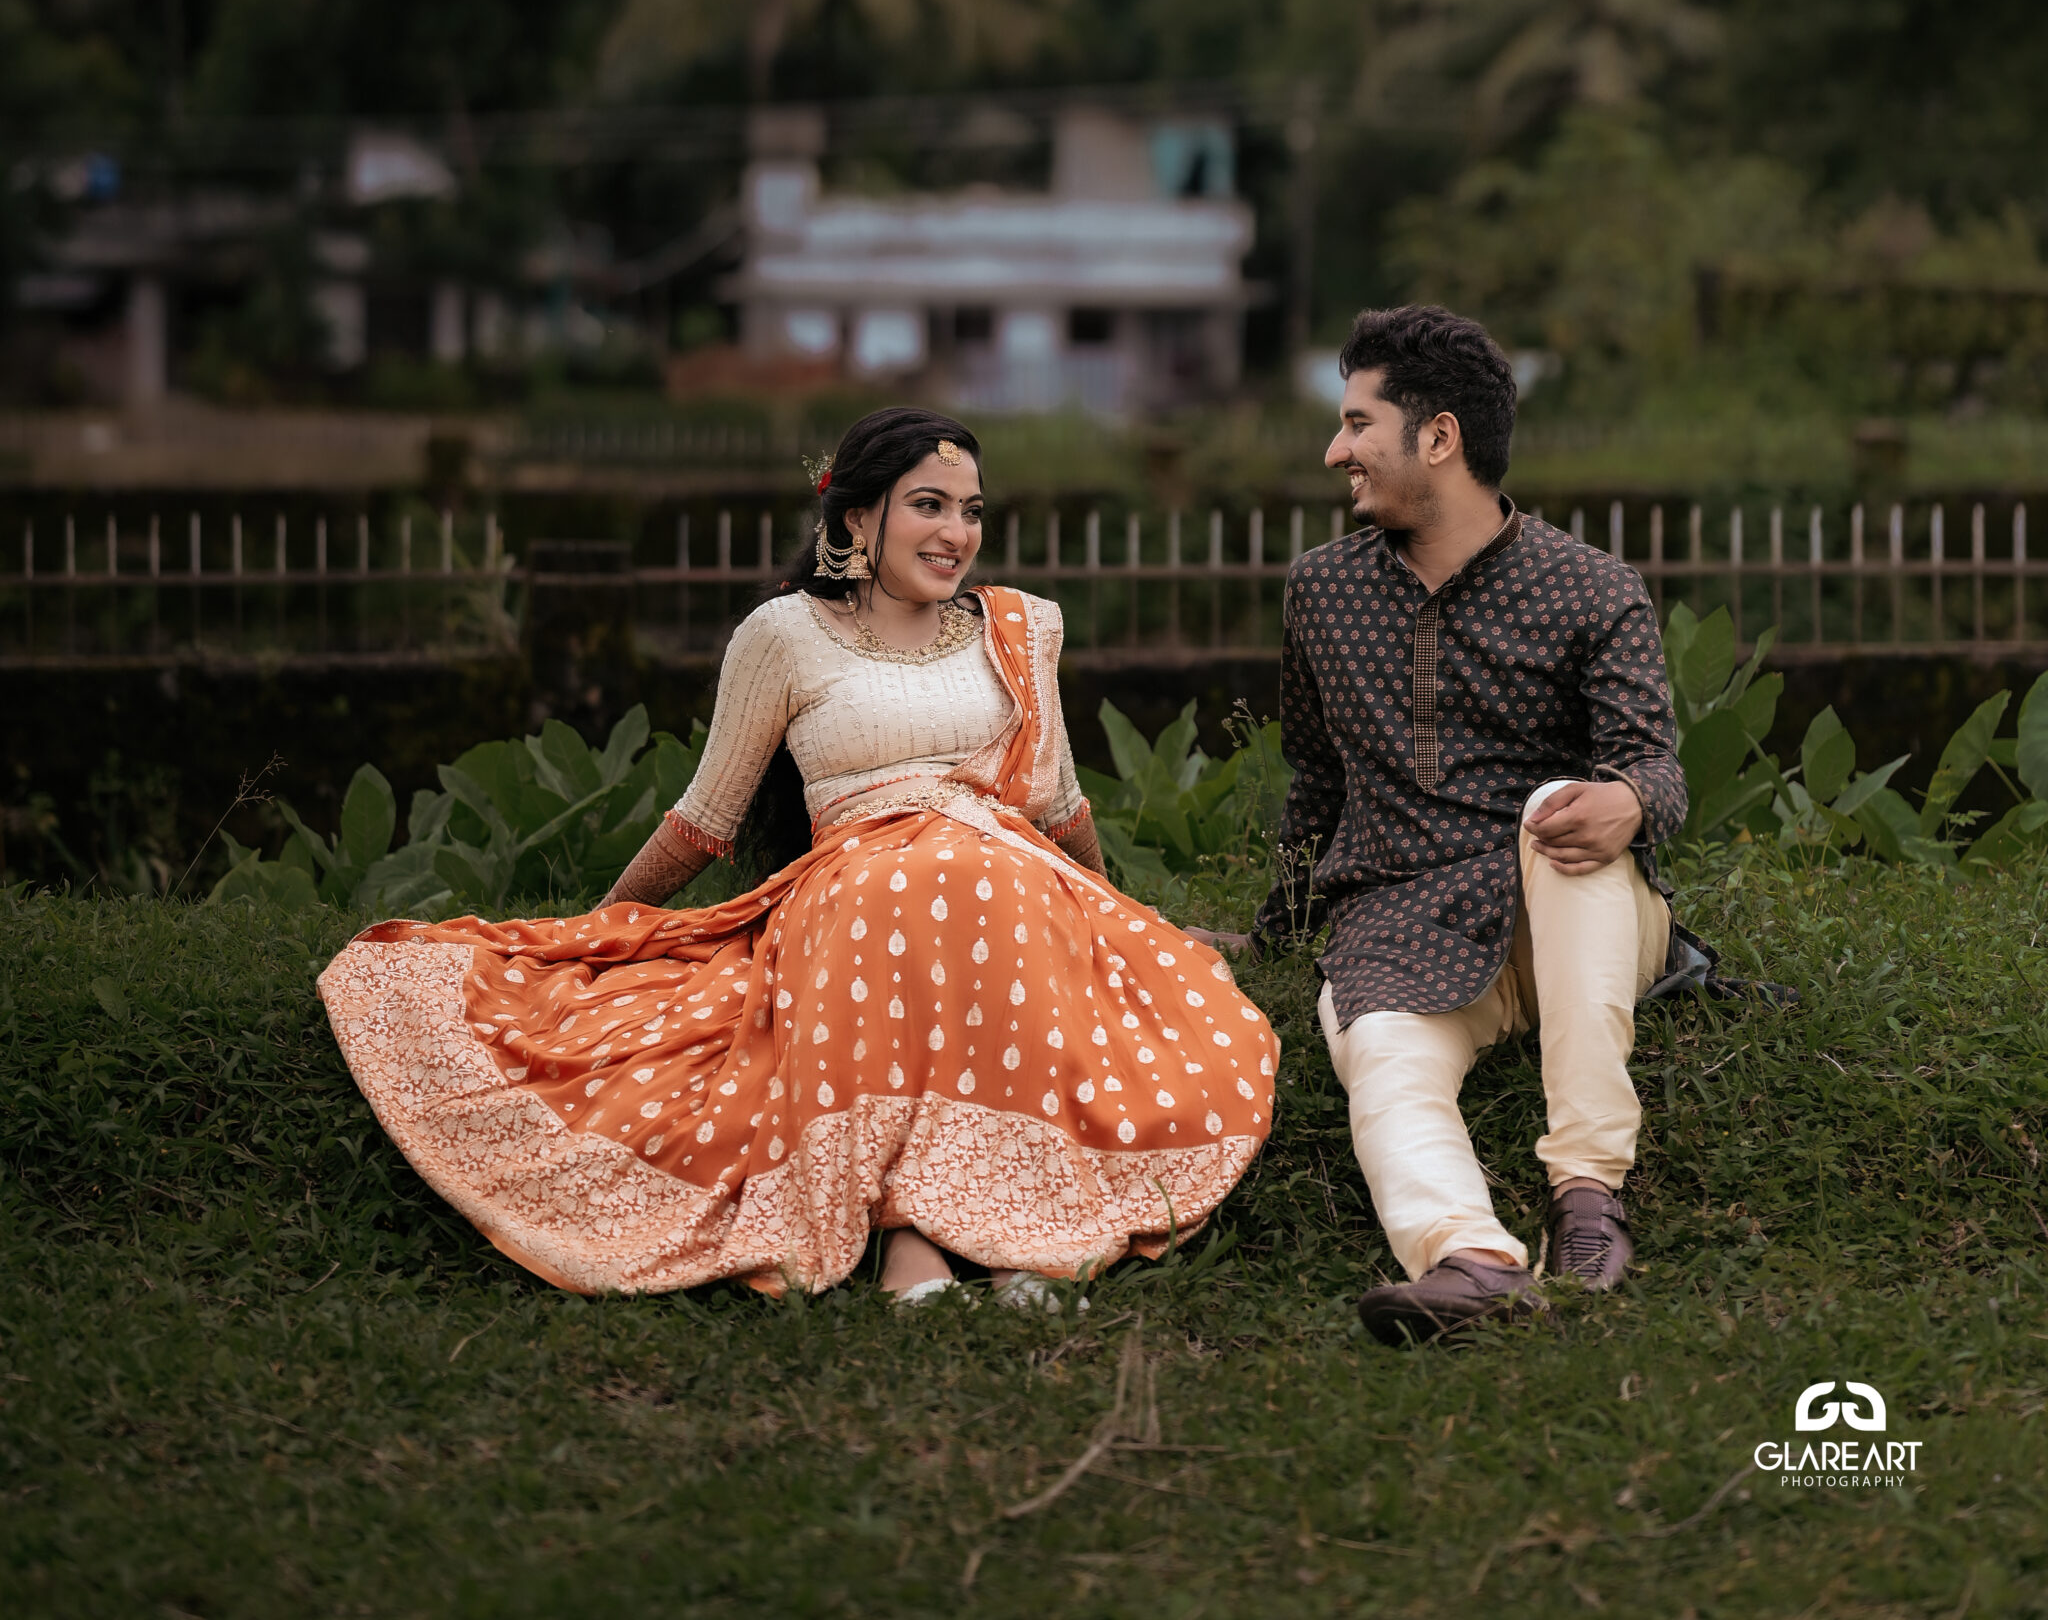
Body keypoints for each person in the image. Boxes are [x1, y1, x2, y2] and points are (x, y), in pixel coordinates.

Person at [319, 406, 1277, 1302]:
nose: (957, 533)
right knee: (906, 897)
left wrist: (1119, 919)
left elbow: (1060, 804)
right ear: (858, 520)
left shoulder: (1020, 629)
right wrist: (603, 928)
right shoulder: (783, 636)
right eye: (929, 506)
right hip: (854, 888)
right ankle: (929, 1234)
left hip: (1012, 879)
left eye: (972, 511)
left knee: (992, 888)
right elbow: (705, 818)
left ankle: (1000, 1230)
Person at [1204, 305, 1691, 1343]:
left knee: (1556, 822)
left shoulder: (1591, 588)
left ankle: (1587, 1194)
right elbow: (1317, 781)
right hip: (1401, 920)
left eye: (1355, 423)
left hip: (1567, 912)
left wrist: (1630, 799)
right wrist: (1278, 928)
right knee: (1375, 1047)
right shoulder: (1320, 592)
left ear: (1438, 438)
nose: (1334, 449)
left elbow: (1652, 761)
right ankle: (1467, 1258)